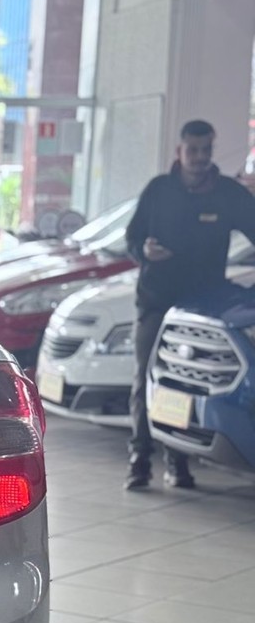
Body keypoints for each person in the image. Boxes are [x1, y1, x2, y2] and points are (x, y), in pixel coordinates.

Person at [123, 120, 255, 490]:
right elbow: (132, 238)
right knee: (146, 379)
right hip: (156, 302)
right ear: (179, 151)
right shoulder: (159, 190)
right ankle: (139, 460)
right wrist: (143, 251)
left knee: (185, 386)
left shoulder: (228, 194)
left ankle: (177, 460)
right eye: (192, 150)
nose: (199, 157)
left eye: (206, 150)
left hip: (204, 310)